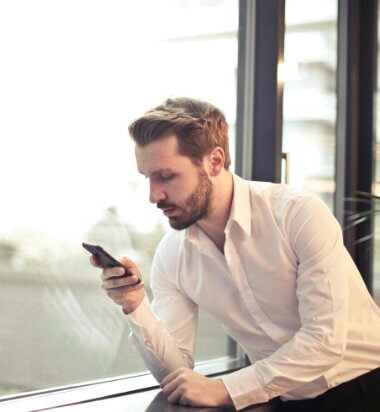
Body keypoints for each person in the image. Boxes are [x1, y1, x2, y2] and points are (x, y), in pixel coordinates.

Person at [90, 97, 380, 411]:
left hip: (367, 387)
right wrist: (135, 306)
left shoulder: (297, 213)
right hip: (282, 400)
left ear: (214, 161)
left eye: (167, 176)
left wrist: (228, 388)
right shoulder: (172, 256)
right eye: (148, 177)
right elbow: (177, 374)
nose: (153, 195)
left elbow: (324, 340)